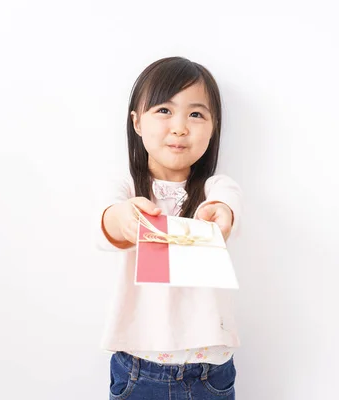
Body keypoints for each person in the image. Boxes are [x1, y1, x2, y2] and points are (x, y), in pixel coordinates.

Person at [96, 56, 242, 399]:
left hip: (211, 368)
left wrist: (221, 214)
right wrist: (125, 219)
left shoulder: (215, 188)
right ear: (136, 122)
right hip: (138, 365)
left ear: (214, 126)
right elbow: (106, 221)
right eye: (164, 110)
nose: (179, 127)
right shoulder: (126, 189)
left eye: (196, 114)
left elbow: (226, 204)